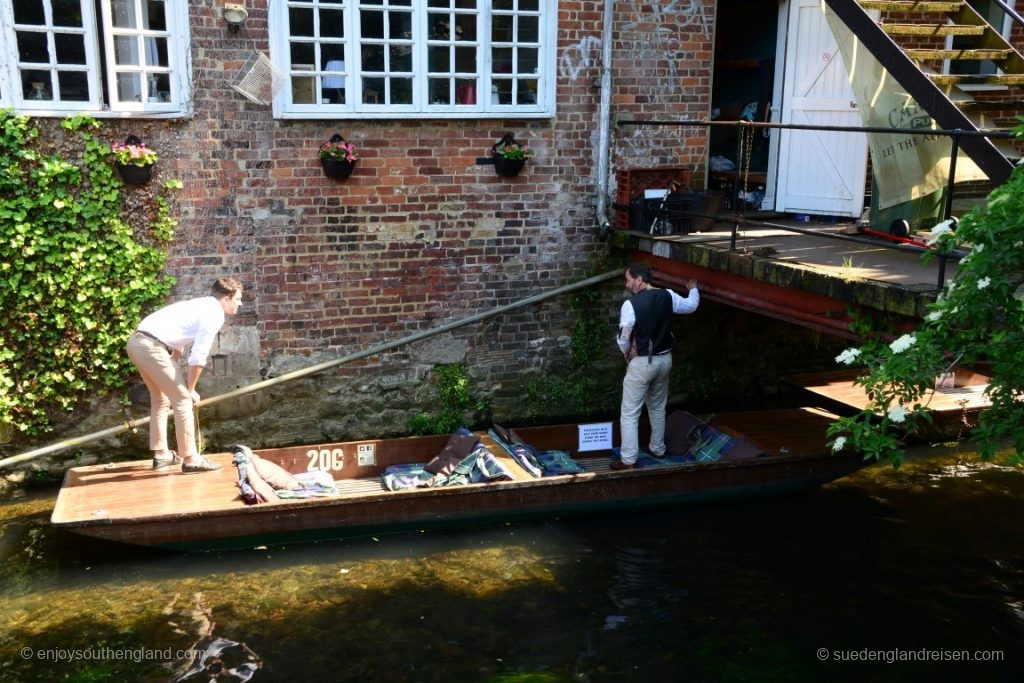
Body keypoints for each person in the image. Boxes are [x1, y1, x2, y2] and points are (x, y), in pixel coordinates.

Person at [126, 277, 243, 473]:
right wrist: (189, 390)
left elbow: (176, 345)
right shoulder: (214, 314)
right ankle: (191, 459)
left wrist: (177, 371)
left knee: (161, 399)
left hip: (136, 343)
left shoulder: (200, 305)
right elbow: (198, 357)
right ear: (226, 298)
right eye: (238, 299)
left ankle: (161, 454)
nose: (240, 303)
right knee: (182, 400)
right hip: (150, 346)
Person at [614, 263, 700, 470]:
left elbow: (624, 337)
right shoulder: (668, 295)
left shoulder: (630, 305)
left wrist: (626, 353)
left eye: (628, 279)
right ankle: (658, 449)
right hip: (665, 360)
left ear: (639, 280)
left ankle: (628, 460)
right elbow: (691, 306)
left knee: (629, 413)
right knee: (658, 407)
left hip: (643, 362)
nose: (627, 284)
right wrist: (693, 288)